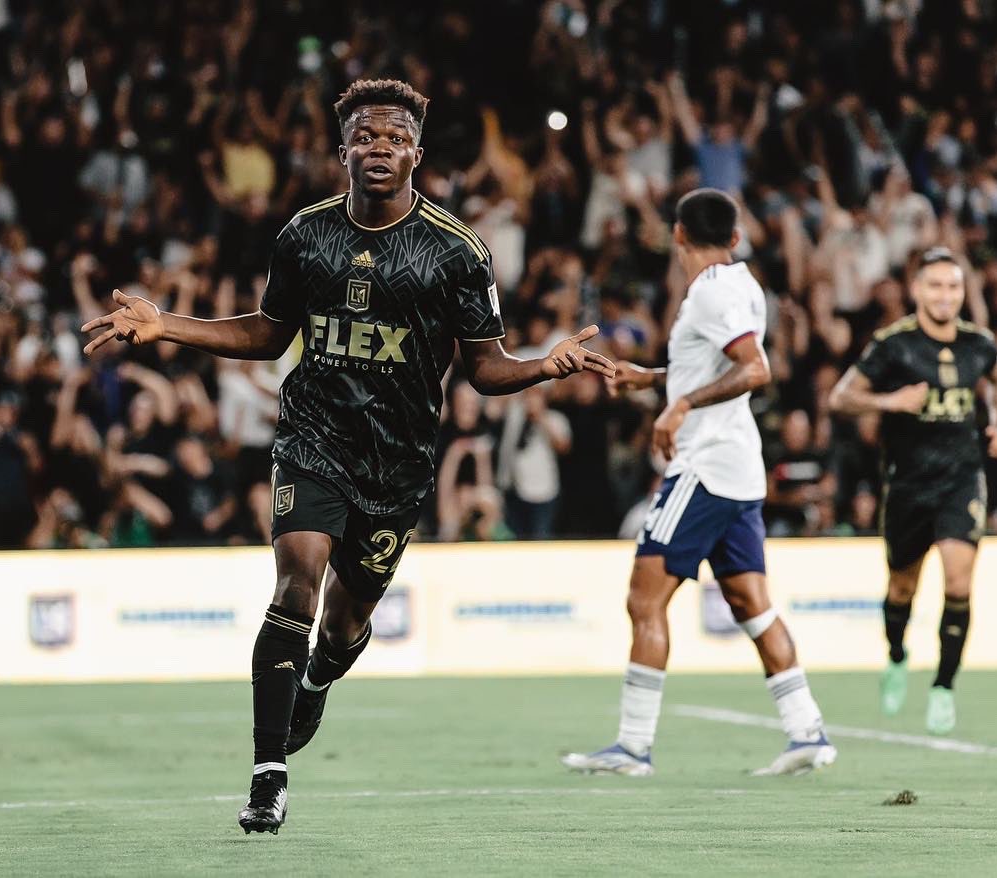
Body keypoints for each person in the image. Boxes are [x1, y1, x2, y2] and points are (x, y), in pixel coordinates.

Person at [82, 79, 615, 834]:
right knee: (296, 581)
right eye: (365, 135)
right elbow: (267, 333)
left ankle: (316, 682)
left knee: (341, 624)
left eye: (395, 137)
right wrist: (168, 323)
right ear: (342, 150)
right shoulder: (305, 235)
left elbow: (485, 368)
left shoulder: (457, 251)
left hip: (396, 464)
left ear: (417, 154)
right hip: (313, 439)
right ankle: (268, 774)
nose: (378, 147)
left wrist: (543, 366)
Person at [562, 189, 836, 777]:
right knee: (751, 603)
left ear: (678, 235)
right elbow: (718, 364)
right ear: (735, 238)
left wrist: (681, 403)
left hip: (704, 469)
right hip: (738, 470)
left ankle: (633, 746)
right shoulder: (742, 285)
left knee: (644, 599)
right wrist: (654, 379)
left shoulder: (709, 292)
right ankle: (807, 731)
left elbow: (755, 368)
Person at [828, 247, 997, 734]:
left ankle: (943, 687)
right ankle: (896, 655)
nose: (944, 296)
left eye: (953, 287)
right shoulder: (894, 345)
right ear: (916, 290)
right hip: (908, 484)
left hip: (961, 479)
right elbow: (840, 398)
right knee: (902, 587)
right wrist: (890, 401)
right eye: (935, 286)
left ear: (962, 292)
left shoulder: (977, 343)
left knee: (958, 581)